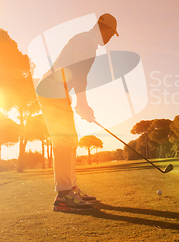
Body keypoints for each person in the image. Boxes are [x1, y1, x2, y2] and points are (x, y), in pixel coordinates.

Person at [35, 14, 119, 211]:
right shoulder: (86, 40)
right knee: (65, 140)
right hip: (52, 88)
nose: (109, 39)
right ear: (103, 28)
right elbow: (79, 72)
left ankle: (70, 189)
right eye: (110, 35)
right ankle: (64, 195)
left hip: (57, 90)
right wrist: (82, 103)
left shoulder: (87, 42)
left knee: (70, 139)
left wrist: (76, 101)